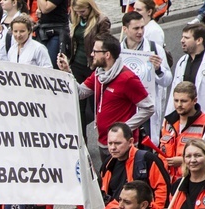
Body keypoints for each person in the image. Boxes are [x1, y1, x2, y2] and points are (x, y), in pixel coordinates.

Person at [57, 33, 154, 162]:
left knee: (123, 181)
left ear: (107, 55)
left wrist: (124, 128)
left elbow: (149, 108)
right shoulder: (98, 74)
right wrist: (67, 72)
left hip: (122, 145)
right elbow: (80, 93)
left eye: (95, 51)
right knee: (108, 180)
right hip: (104, 142)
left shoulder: (127, 79)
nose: (92, 54)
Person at [120, 11, 172, 145]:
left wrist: (158, 69)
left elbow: (167, 80)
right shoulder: (117, 52)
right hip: (125, 108)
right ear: (125, 29)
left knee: (146, 148)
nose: (140, 32)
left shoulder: (155, 49)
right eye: (136, 28)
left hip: (146, 111)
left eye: (142, 27)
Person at [100, 122, 170, 209]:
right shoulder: (107, 164)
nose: (112, 147)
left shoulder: (147, 160)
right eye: (110, 143)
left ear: (130, 142)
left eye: (117, 143)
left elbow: (162, 189)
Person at [68, 0, 111, 141]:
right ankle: (82, 141)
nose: (79, 14)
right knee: (77, 106)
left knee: (97, 105)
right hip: (77, 64)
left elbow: (105, 43)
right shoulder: (76, 19)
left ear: (90, 7)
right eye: (77, 12)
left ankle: (104, 138)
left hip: (93, 66)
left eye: (82, 11)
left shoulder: (101, 20)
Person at [159, 82, 205, 183]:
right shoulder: (168, 121)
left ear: (194, 100)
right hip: (168, 183)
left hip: (194, 181)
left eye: (183, 101)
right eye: (176, 100)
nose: (179, 105)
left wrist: (184, 161)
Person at [167, 23, 205, 115]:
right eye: (182, 37)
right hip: (183, 115)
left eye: (187, 38)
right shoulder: (182, 62)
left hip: (204, 114)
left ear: (199, 40)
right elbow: (174, 90)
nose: (182, 40)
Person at [34, 0, 70, 68]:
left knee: (51, 63)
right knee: (38, 62)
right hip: (43, 29)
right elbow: (40, 9)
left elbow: (45, 8)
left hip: (57, 31)